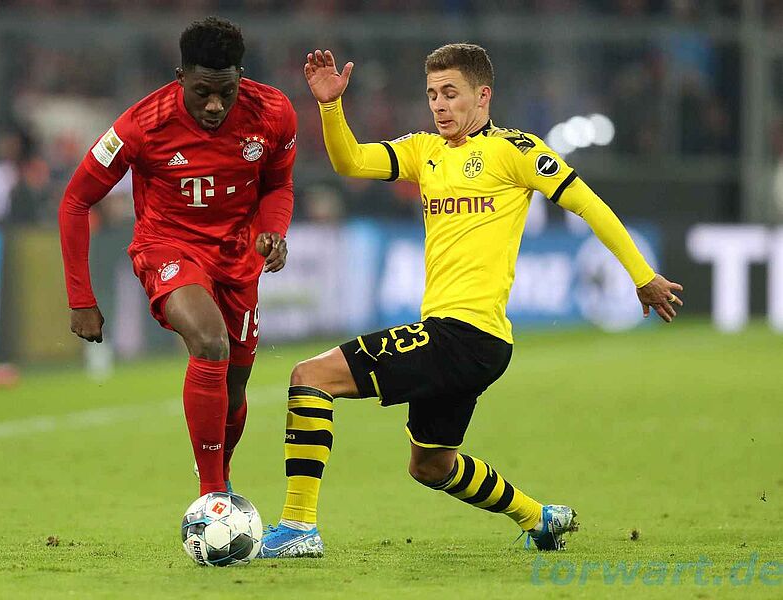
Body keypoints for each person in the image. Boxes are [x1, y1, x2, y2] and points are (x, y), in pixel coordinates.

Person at [260, 45, 683, 557]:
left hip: (464, 334)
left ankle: (299, 527)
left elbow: (588, 204)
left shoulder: (515, 151)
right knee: (430, 465)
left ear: (483, 96)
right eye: (432, 95)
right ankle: (539, 518)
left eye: (451, 93)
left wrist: (642, 276)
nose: (439, 105)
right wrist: (331, 106)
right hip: (471, 343)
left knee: (309, 376)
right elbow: (350, 159)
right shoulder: (423, 151)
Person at [58, 17, 297, 497]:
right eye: (202, 92)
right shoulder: (141, 125)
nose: (215, 105)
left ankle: (220, 477)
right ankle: (212, 497)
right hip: (168, 248)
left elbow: (278, 185)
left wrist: (273, 230)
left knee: (234, 390)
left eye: (226, 92)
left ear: (241, 76)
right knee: (210, 341)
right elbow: (75, 201)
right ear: (180, 76)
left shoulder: (273, 112)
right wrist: (81, 298)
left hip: (238, 257)